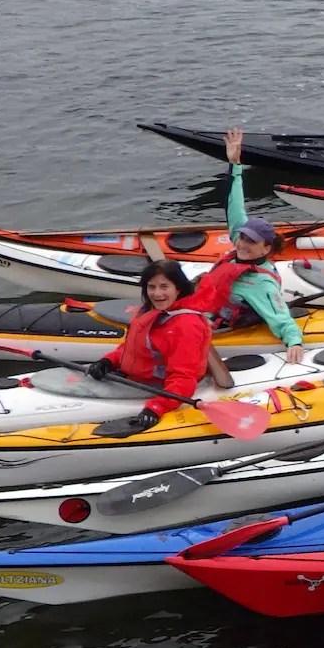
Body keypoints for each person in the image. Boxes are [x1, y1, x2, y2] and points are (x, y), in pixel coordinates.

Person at [182, 128, 304, 363]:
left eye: (251, 241)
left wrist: (294, 341)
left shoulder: (261, 283)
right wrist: (235, 164)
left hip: (214, 322)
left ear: (266, 248)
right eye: (242, 237)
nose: (243, 244)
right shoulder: (241, 248)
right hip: (202, 304)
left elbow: (280, 316)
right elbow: (235, 206)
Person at [84, 260, 215, 437]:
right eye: (151, 287)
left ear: (178, 289)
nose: (157, 293)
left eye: (164, 287)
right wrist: (108, 361)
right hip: (135, 379)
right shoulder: (149, 311)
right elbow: (134, 348)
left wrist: (156, 407)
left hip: (162, 389)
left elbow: (183, 377)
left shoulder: (187, 325)